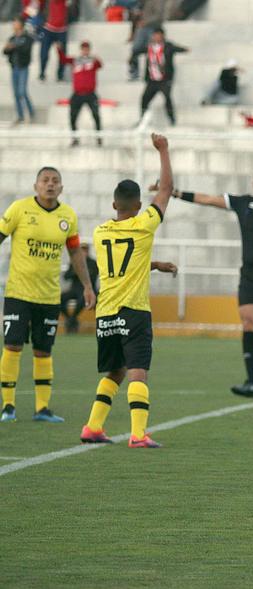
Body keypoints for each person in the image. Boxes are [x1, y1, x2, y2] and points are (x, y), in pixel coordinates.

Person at [79, 134, 178, 448]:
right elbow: (165, 190)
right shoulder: (143, 224)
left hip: (106, 312)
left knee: (115, 371)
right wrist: (163, 150)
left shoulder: (100, 233)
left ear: (113, 205)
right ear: (138, 205)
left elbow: (123, 263)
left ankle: (93, 427)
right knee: (137, 371)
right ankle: (137, 434)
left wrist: (156, 264)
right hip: (133, 311)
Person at [170, 167, 253, 398]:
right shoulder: (243, 203)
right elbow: (208, 200)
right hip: (250, 273)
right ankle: (252, 382)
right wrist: (176, 193)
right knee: (248, 322)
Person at [0, 166, 96, 424]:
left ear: (61, 187)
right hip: (18, 293)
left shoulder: (67, 216)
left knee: (44, 351)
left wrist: (87, 285)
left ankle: (42, 408)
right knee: (12, 345)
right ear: (36, 186)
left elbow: (75, 253)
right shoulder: (19, 209)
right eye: (45, 180)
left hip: (49, 296)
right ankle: (8, 406)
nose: (50, 184)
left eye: (55, 181)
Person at [134, 27, 187, 126]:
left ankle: (172, 120)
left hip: (164, 80)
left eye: (159, 35)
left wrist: (185, 49)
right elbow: (137, 51)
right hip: (152, 80)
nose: (157, 37)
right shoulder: (149, 47)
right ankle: (143, 119)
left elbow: (178, 49)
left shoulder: (167, 46)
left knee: (167, 99)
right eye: (155, 35)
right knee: (145, 99)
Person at [58, 40, 102, 146]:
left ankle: (99, 137)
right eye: (83, 49)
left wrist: (97, 59)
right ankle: (74, 138)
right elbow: (63, 59)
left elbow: (100, 65)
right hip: (77, 93)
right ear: (81, 50)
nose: (85, 51)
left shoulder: (93, 61)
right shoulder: (75, 60)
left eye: (87, 49)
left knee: (96, 115)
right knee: (73, 116)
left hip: (90, 93)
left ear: (89, 50)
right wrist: (59, 49)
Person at [60, 243, 99, 333]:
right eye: (82, 250)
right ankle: (69, 318)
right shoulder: (74, 263)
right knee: (60, 299)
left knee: (83, 301)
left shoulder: (93, 263)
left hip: (89, 290)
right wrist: (75, 272)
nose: (84, 252)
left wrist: (83, 273)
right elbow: (66, 277)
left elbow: (94, 277)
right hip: (75, 289)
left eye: (85, 250)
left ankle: (72, 320)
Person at [127, 0, 168, 81]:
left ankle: (152, 73)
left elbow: (159, 16)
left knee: (151, 50)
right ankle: (134, 72)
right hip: (143, 28)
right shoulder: (141, 3)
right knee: (135, 49)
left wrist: (146, 22)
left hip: (154, 27)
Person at [3, 17, 34, 124]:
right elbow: (5, 51)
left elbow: (25, 49)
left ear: (20, 24)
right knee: (16, 93)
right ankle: (20, 116)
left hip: (23, 68)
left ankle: (31, 112)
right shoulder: (12, 38)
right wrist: (8, 48)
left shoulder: (27, 38)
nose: (14, 25)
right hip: (14, 68)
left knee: (22, 91)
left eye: (15, 23)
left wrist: (14, 46)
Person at [37, 0, 69, 82]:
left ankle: (60, 75)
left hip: (61, 31)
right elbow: (39, 6)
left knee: (62, 55)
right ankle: (42, 73)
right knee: (44, 54)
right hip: (48, 29)